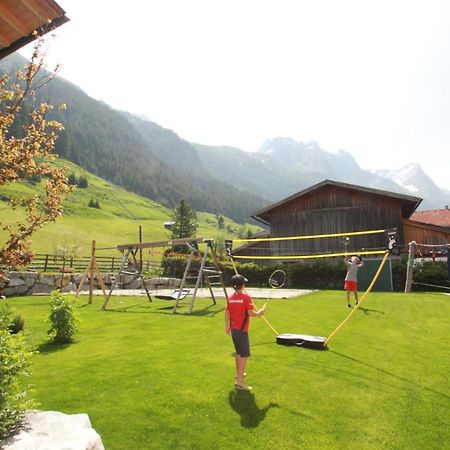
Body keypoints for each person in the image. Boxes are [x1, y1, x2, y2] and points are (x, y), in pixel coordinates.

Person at [225, 274, 266, 391]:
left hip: (234, 331)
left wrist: (227, 326)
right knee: (244, 355)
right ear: (242, 285)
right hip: (242, 331)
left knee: (239, 353)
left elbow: (227, 312)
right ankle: (239, 383)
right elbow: (250, 313)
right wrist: (259, 313)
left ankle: (239, 374)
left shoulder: (230, 297)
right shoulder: (246, 298)